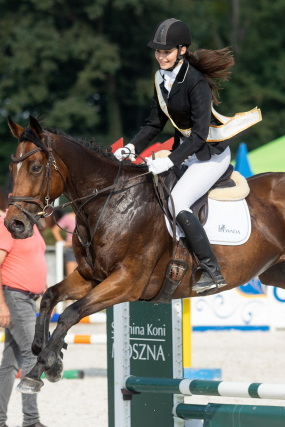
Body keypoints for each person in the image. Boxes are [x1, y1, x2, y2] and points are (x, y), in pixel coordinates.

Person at [115, 18, 261, 294]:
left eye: (166, 51)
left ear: (182, 50)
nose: (161, 56)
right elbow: (154, 123)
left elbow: (199, 135)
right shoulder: (160, 78)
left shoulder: (196, 82)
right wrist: (132, 147)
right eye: (158, 51)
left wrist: (170, 160)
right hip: (186, 153)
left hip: (210, 155)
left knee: (178, 199)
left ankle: (211, 268)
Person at [0, 211, 47, 427]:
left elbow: (31, 260)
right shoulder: (7, 223)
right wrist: (0, 303)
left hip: (28, 299)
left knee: (10, 364)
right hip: (15, 296)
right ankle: (31, 421)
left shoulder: (31, 223)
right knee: (34, 352)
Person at [51, 211, 77, 277]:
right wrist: (63, 242)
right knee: (71, 277)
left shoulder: (86, 217)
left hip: (86, 251)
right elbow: (55, 230)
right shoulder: (68, 217)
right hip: (72, 250)